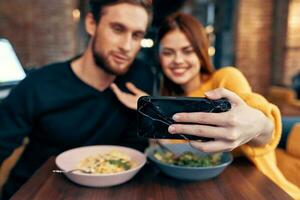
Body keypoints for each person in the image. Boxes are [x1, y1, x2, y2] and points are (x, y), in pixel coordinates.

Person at [110, 13, 300, 198]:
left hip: (263, 188)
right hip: (204, 189)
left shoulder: (225, 78)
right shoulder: (170, 100)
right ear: (159, 58)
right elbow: (168, 151)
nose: (177, 60)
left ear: (201, 51)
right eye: (168, 52)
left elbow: (259, 120)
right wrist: (152, 110)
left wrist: (261, 125)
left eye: (187, 50)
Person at [0, 0, 154, 199]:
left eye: (137, 35)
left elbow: (135, 148)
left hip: (107, 191)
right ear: (91, 24)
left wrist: (149, 112)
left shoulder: (140, 77)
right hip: (36, 189)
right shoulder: (40, 84)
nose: (127, 46)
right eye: (117, 29)